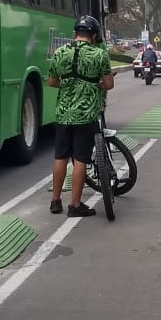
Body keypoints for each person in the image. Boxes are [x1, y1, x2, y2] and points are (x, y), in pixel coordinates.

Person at [47, 15, 114, 217]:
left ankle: (55, 200)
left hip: (63, 114)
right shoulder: (99, 55)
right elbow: (109, 84)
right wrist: (95, 86)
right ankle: (75, 205)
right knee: (81, 159)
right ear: (93, 36)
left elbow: (51, 81)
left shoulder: (59, 52)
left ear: (75, 34)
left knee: (60, 156)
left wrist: (68, 85)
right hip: (86, 115)